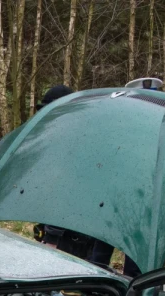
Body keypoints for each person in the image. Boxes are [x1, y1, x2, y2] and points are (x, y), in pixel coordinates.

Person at [32, 85, 115, 268]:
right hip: (85, 230)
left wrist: (52, 237)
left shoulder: (70, 141)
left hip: (71, 235)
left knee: (64, 285)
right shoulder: (89, 135)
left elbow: (65, 191)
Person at [120, 77, 165, 279]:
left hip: (155, 205)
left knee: (148, 267)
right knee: (101, 258)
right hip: (122, 202)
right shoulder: (123, 131)